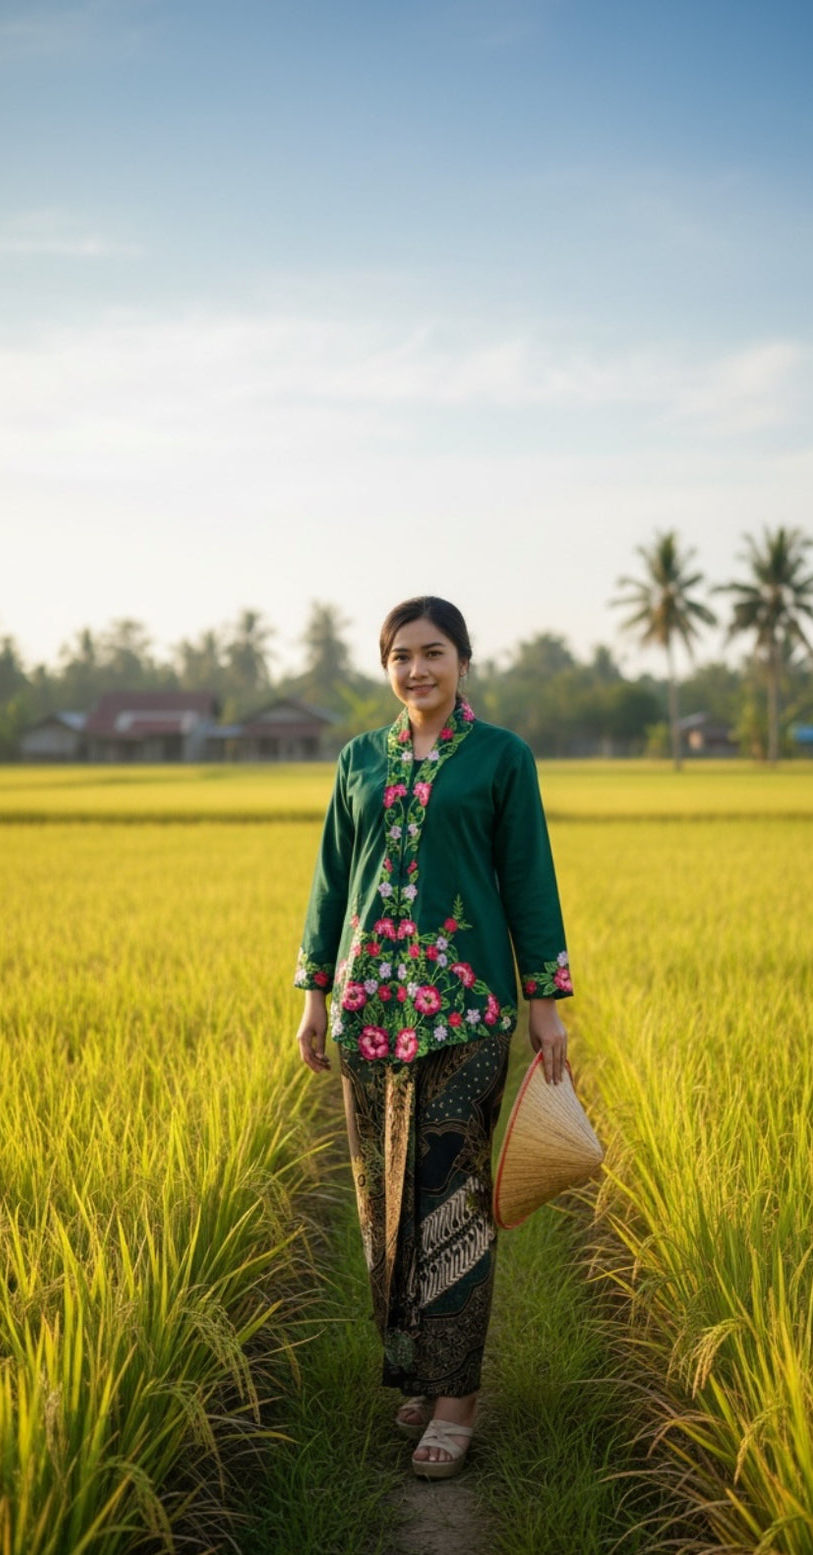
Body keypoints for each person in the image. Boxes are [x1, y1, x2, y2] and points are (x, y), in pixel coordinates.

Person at [294, 596, 573, 1479]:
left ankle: (457, 1402)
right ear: (387, 669)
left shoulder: (500, 758)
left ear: (463, 660)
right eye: (400, 657)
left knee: (453, 1204)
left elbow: (528, 873)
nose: (417, 670)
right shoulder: (358, 760)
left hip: (465, 1012)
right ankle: (417, 1366)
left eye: (433, 653)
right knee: (385, 1205)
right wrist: (313, 994)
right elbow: (332, 882)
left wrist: (545, 1000)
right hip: (370, 1017)